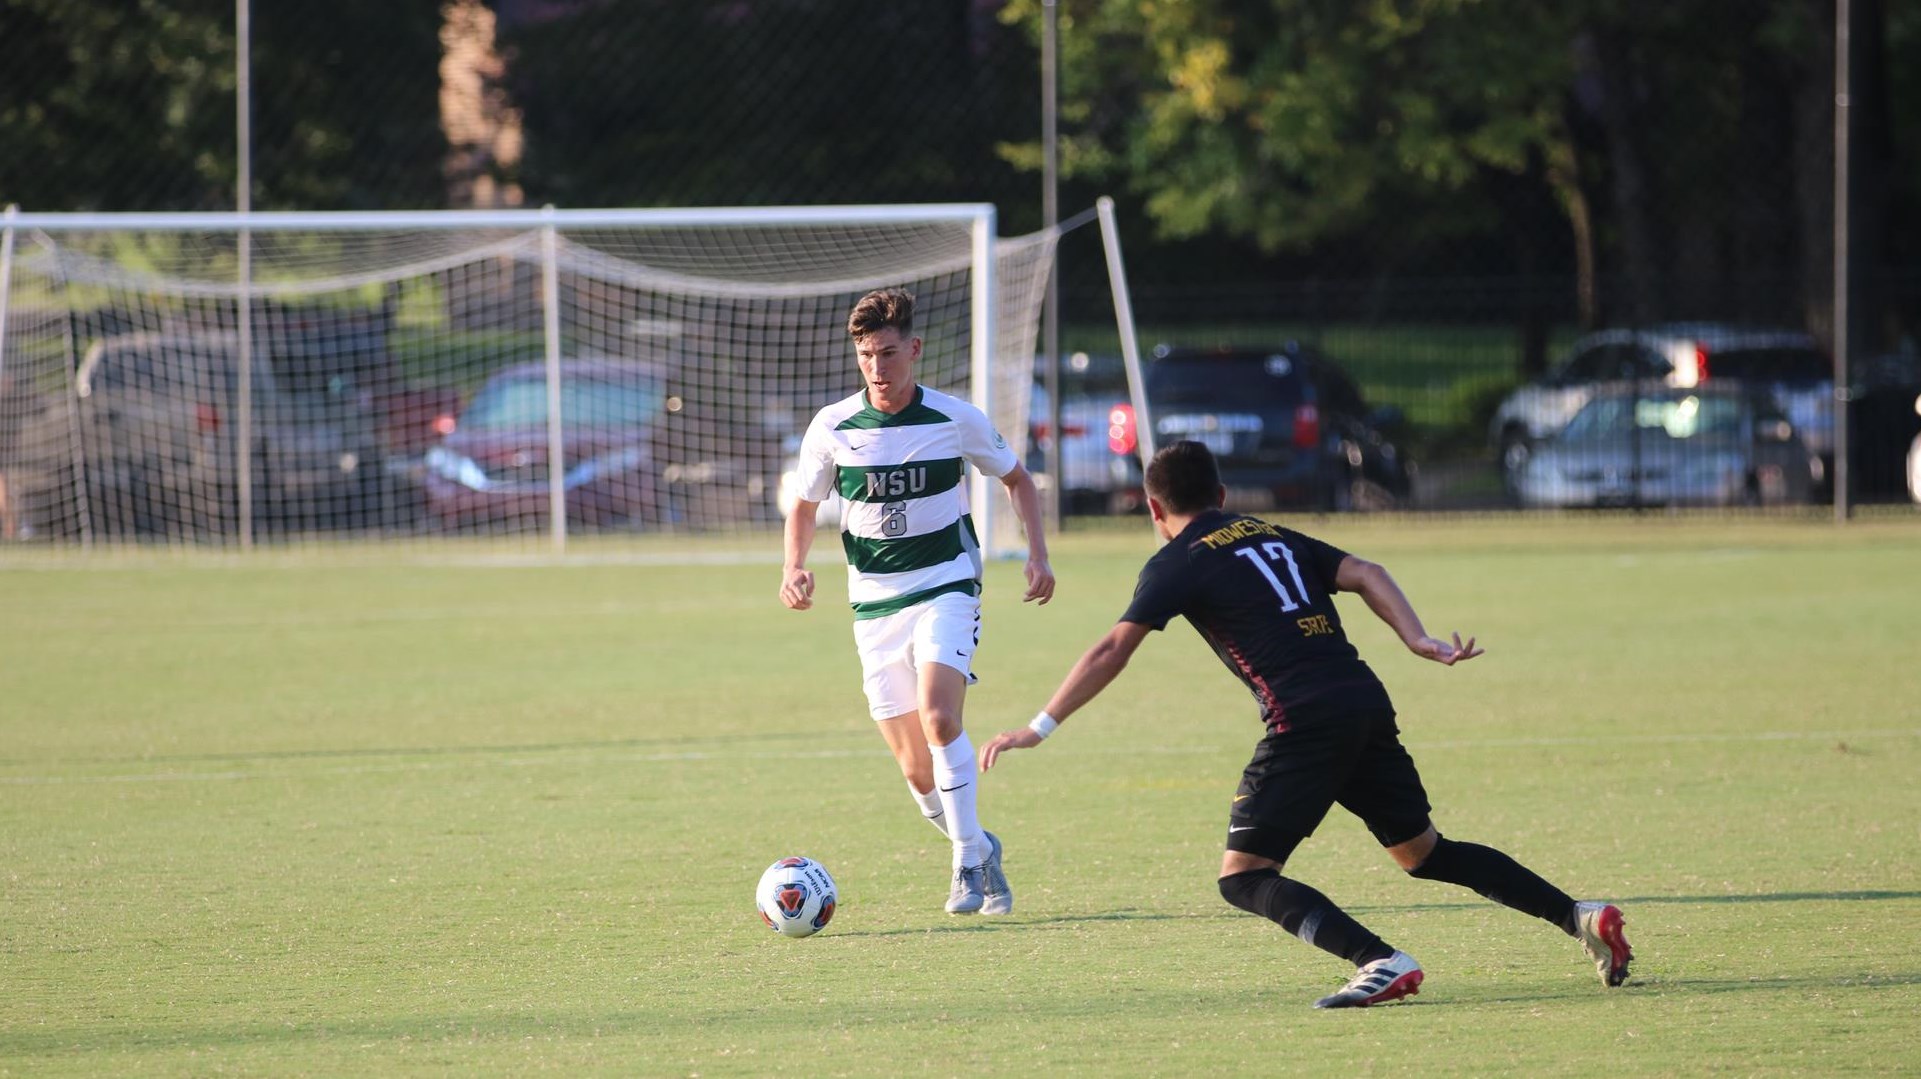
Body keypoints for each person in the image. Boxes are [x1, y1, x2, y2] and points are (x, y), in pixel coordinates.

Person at [979, 440, 1633, 1007]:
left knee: (1243, 875)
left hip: (1303, 716)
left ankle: (1378, 960)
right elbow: (1367, 571)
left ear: (1154, 510)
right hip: (1360, 696)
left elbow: (1111, 648)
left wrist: (1038, 725)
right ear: (1223, 493)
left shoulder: (1177, 558)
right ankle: (1579, 915)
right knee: (1423, 851)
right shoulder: (1271, 532)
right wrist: (1417, 638)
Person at [780, 287, 1054, 915]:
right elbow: (804, 502)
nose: (877, 367)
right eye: (866, 355)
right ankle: (981, 847)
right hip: (873, 602)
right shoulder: (833, 426)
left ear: (915, 349)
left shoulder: (957, 418)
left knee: (939, 717)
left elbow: (1018, 480)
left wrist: (1037, 554)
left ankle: (963, 865)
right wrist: (793, 566)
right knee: (916, 772)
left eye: (887, 353)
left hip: (947, 583)